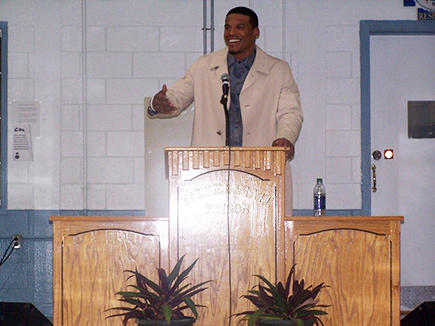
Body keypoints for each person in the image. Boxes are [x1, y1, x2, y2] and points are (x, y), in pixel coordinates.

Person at [147, 6, 303, 162]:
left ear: (256, 32)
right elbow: (177, 96)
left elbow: (290, 112)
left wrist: (285, 137)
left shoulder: (277, 69)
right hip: (209, 169)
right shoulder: (203, 65)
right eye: (227, 28)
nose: (231, 33)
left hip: (260, 166)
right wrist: (158, 103)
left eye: (240, 27)